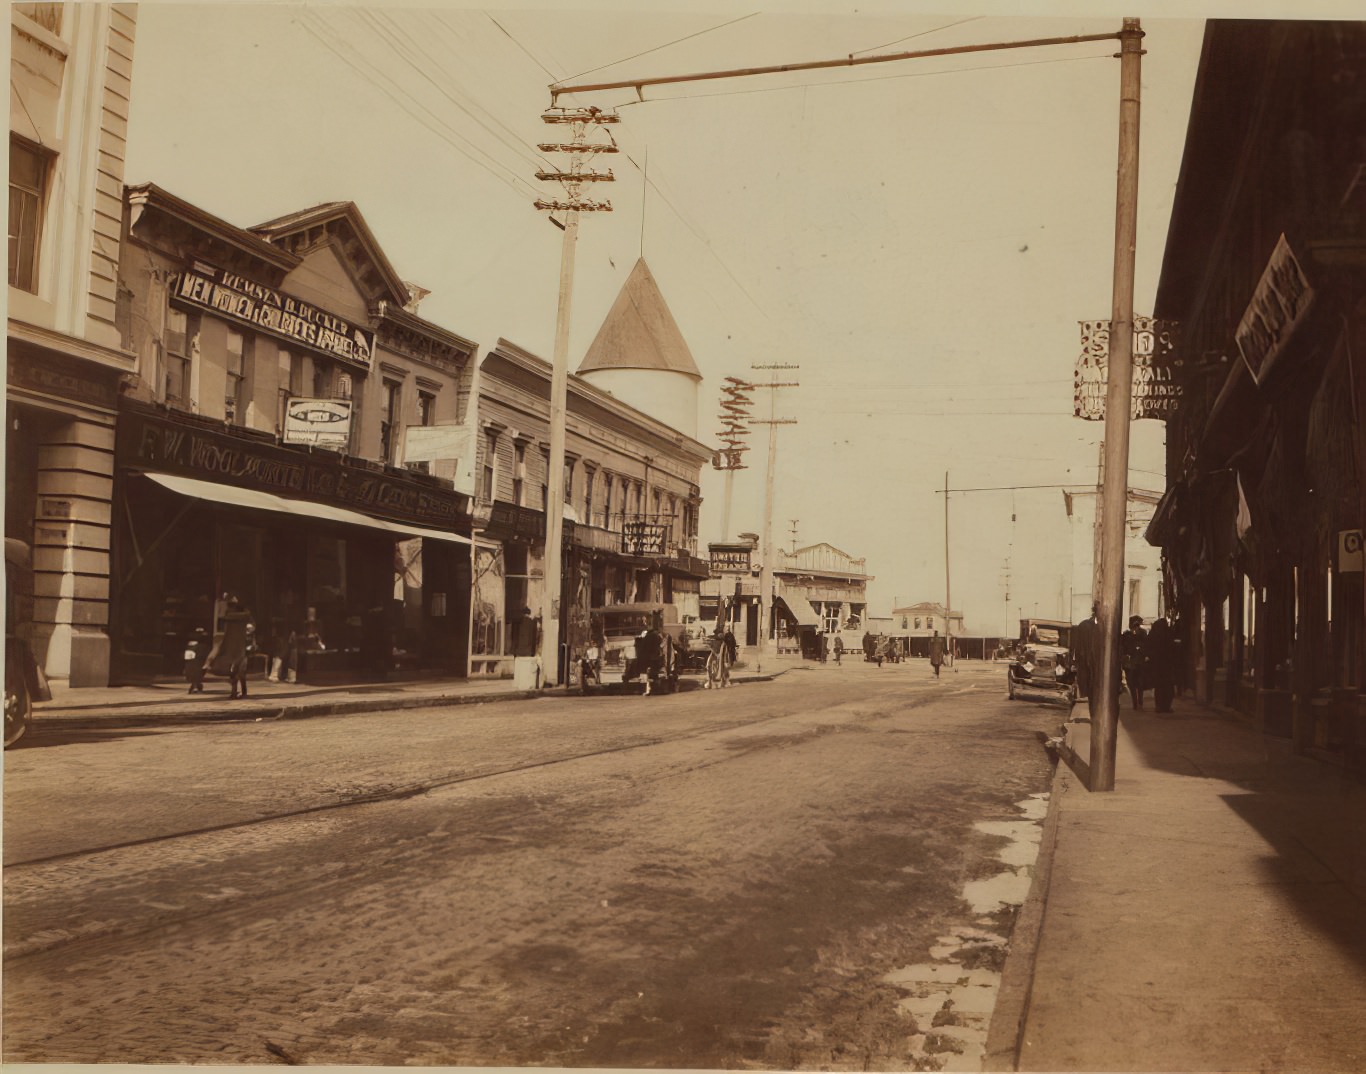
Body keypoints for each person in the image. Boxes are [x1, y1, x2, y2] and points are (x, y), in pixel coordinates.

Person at [205, 593, 255, 700]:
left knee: (237, 671)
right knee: (239, 671)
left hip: (237, 648)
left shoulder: (233, 616)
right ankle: (239, 692)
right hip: (239, 647)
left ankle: (237, 692)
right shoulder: (244, 616)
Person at [1070, 604, 1101, 716]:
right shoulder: (1084, 626)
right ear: (1096, 612)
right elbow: (1078, 647)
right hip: (1088, 665)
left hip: (1102, 666)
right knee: (1091, 692)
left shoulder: (1107, 626)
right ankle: (1093, 715)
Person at [1146, 615, 1176, 713]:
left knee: (1159, 687)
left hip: (1158, 665)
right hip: (1166, 665)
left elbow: (1149, 648)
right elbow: (1172, 648)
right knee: (1167, 687)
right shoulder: (1167, 634)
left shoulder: (1153, 634)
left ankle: (1160, 706)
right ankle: (1166, 706)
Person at [1121, 615, 1148, 709]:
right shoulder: (1127, 635)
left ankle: (1139, 701)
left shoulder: (1143, 633)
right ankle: (1136, 703)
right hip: (1131, 663)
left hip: (1138, 662)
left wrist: (1139, 650)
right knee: (1132, 684)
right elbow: (1124, 648)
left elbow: (1145, 646)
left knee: (1138, 683)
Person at [183, 626, 209, 694]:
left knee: (195, 674)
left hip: (194, 660)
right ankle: (196, 686)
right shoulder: (200, 644)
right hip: (196, 660)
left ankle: (195, 686)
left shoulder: (192, 643)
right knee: (196, 674)